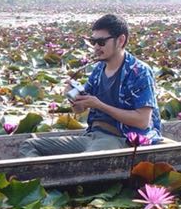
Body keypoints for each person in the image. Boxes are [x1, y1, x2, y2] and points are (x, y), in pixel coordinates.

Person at [18, 14, 161, 157]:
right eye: (94, 42)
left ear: (121, 40)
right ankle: (43, 177)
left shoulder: (139, 71)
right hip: (92, 136)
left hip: (121, 139)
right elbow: (79, 109)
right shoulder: (98, 69)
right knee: (28, 145)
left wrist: (100, 105)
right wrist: (73, 97)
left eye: (101, 42)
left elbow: (142, 121)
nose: (96, 47)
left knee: (84, 159)